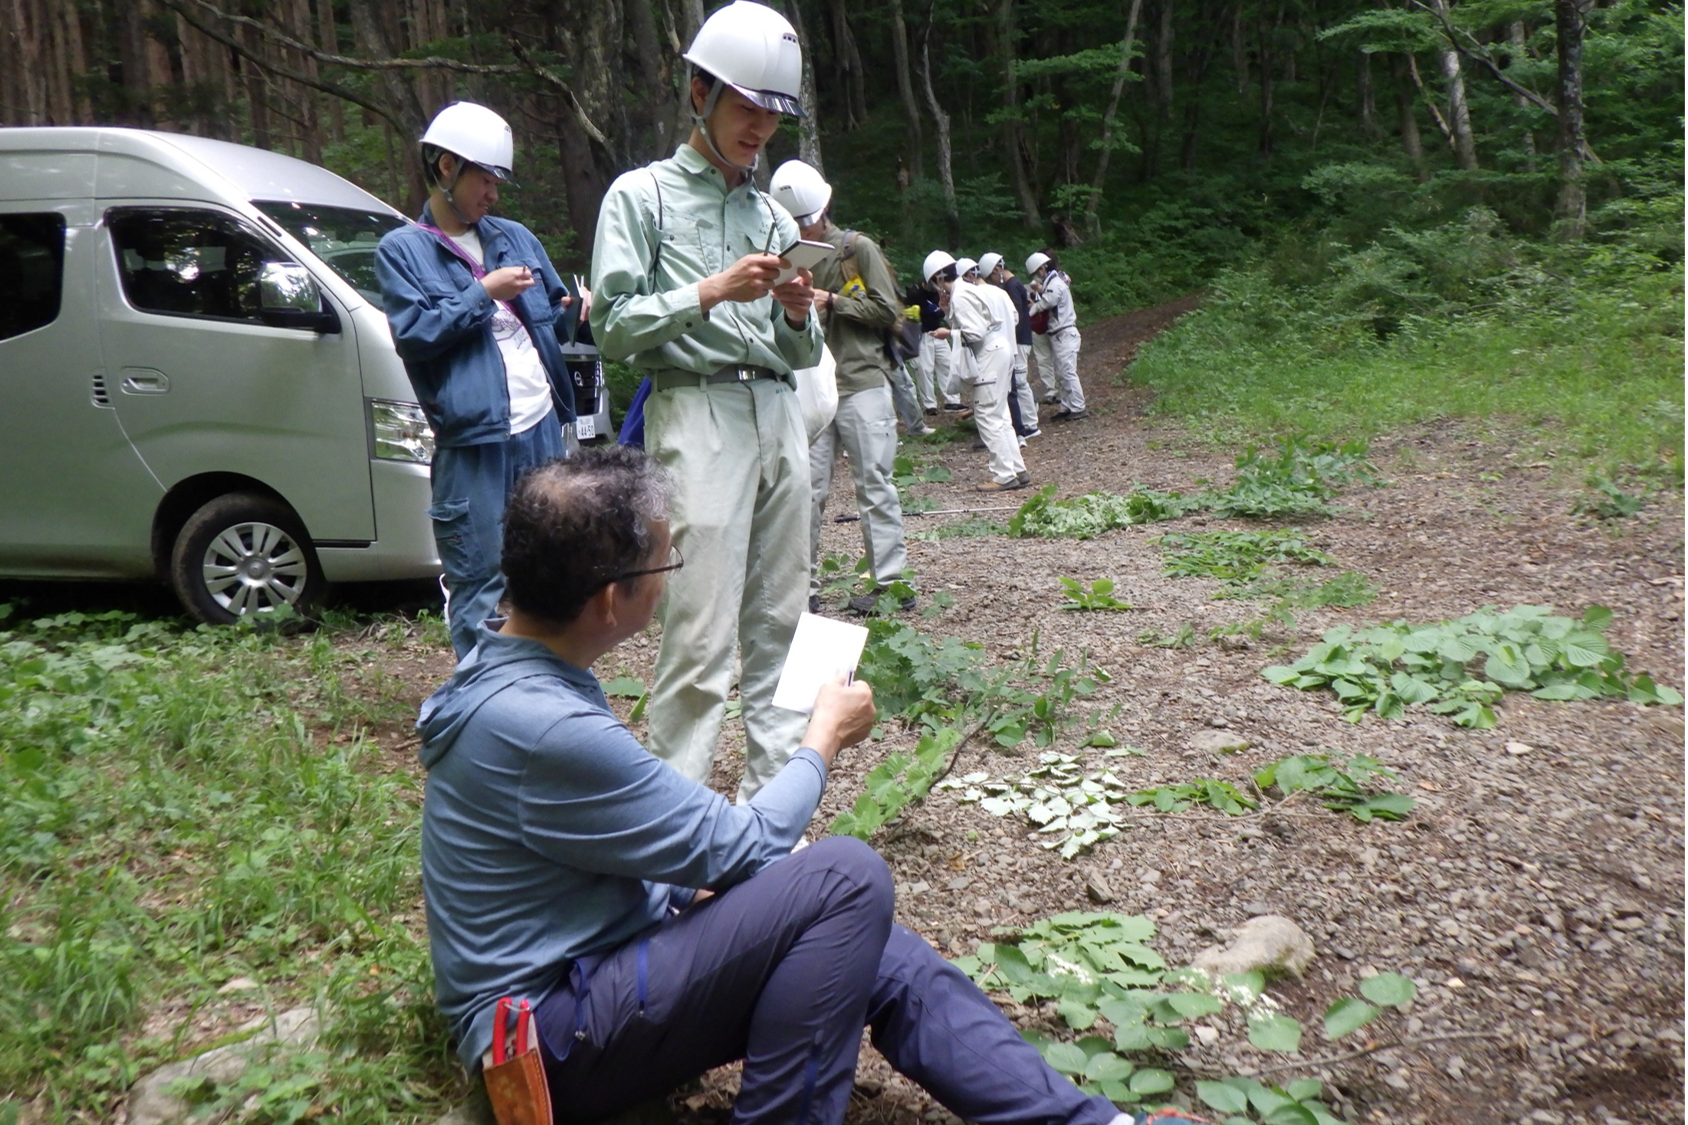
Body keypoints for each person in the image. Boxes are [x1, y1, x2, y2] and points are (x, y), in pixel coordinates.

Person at [416, 445, 1190, 1125]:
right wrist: (822, 737)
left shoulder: (512, 663)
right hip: (546, 1041)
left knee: (875, 944)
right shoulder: (546, 726)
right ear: (613, 598)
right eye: (665, 559)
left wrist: (688, 898)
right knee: (847, 878)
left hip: (582, 987)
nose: (671, 570)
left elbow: (599, 854)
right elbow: (743, 845)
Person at [589, 0, 821, 802]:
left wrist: (797, 317)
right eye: (747, 108)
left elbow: (800, 353)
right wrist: (708, 290)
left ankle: (777, 821)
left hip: (779, 417)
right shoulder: (641, 197)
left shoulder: (770, 213)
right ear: (700, 92)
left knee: (783, 625)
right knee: (697, 637)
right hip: (696, 414)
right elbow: (612, 327)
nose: (760, 128)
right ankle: (675, 838)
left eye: (772, 115)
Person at [376, 101, 583, 660]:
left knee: (547, 572)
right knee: (481, 582)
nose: (493, 194)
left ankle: (546, 692)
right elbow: (414, 334)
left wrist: (575, 310)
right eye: (484, 179)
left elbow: (554, 312)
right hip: (475, 442)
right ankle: (479, 707)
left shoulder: (514, 236)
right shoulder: (403, 250)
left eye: (498, 182)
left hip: (540, 425)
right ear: (446, 166)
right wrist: (483, 292)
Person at [770, 159, 915, 618]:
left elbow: (888, 311)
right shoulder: (777, 256)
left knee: (875, 483)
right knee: (804, 492)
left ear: (823, 208)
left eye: (804, 219)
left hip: (861, 382)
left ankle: (889, 583)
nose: (800, 226)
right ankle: (801, 588)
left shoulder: (856, 248)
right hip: (807, 390)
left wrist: (831, 300)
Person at [928, 251, 1029, 492]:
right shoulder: (966, 289)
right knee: (1001, 414)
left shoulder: (961, 295)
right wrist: (947, 312)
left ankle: (1004, 474)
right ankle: (1017, 467)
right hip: (999, 348)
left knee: (987, 415)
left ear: (940, 279)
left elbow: (974, 333)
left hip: (989, 352)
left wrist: (948, 333)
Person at [980, 251, 1042, 442]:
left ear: (997, 269)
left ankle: (1030, 423)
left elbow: (1015, 315)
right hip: (1019, 339)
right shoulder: (1012, 284)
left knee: (1020, 381)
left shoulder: (1011, 285)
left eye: (991, 276)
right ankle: (1028, 420)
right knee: (1019, 381)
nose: (993, 281)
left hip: (1020, 339)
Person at [1027, 250, 1088, 422]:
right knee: (1061, 372)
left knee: (1067, 371)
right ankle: (1067, 406)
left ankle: (1078, 406)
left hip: (1064, 332)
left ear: (1042, 268)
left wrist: (1032, 310)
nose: (1037, 277)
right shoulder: (1052, 283)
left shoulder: (1055, 283)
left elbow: (1048, 302)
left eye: (1037, 272)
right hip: (1058, 334)